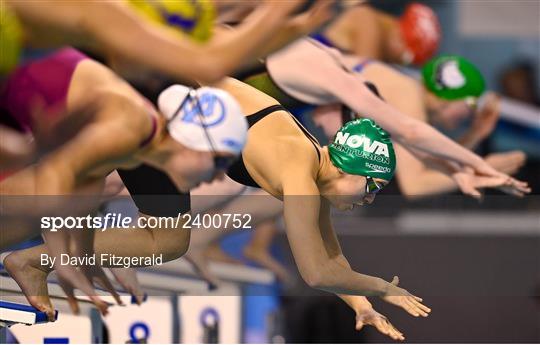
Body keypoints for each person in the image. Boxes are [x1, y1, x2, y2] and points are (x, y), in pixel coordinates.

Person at [8, 78, 427, 341]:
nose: (369, 198)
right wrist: (383, 287)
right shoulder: (297, 172)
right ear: (349, 168)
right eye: (372, 186)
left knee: (165, 238)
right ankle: (34, 255)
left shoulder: (311, 168)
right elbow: (316, 272)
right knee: (71, 185)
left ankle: (35, 258)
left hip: (161, 116)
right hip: (148, 108)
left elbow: (332, 258)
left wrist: (361, 304)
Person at [0, 48, 248, 318]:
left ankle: (28, 263)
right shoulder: (130, 129)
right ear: (195, 145)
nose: (217, 177)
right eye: (220, 163)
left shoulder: (140, 143)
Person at [312, 2, 441, 65]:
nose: (396, 62)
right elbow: (364, 79)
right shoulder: (366, 20)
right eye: (403, 58)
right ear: (399, 37)